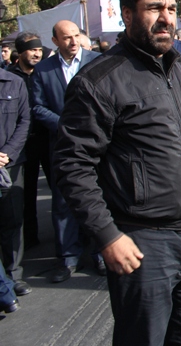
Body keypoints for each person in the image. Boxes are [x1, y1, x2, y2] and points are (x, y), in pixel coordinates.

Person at [53, 0, 181, 345]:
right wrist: (106, 236)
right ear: (128, 15)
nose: (167, 17)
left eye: (171, 8)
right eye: (154, 8)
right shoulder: (98, 81)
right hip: (141, 243)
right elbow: (72, 166)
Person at [31, 20, 102, 283]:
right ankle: (68, 258)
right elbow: (37, 107)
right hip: (62, 144)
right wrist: (64, 126)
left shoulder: (96, 61)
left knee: (99, 197)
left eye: (76, 36)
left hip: (97, 144)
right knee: (63, 202)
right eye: (66, 38)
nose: (73, 42)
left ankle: (100, 253)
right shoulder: (44, 70)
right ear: (55, 42)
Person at [7, 32, 46, 249]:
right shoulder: (10, 78)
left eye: (39, 50)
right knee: (26, 192)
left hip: (47, 138)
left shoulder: (45, 73)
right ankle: (30, 237)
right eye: (32, 50)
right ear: (21, 53)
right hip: (24, 142)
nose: (37, 54)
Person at [0, 62, 30, 297]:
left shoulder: (14, 82)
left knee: (12, 220)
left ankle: (13, 274)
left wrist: (8, 153)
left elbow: (24, 121)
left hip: (10, 164)